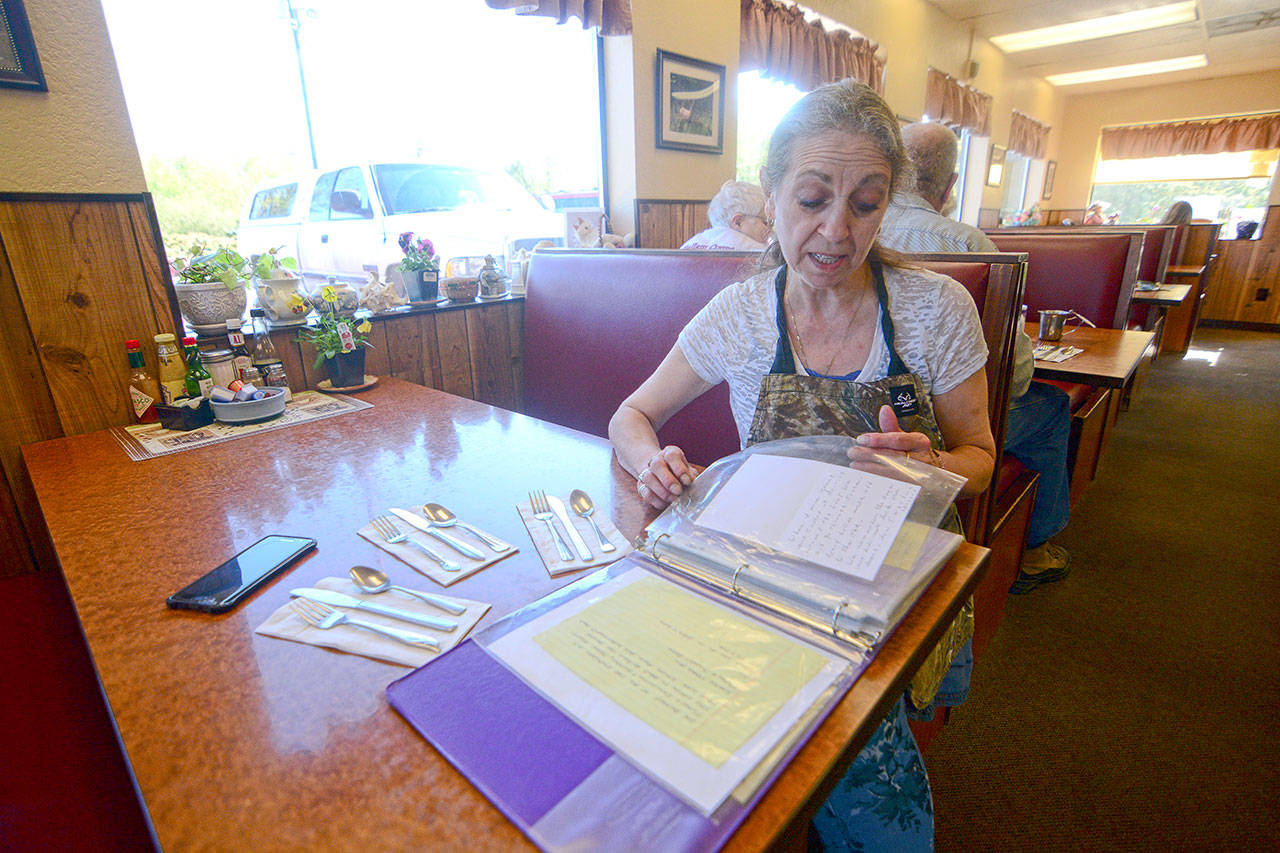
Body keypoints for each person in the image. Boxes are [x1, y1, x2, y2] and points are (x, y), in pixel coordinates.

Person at [609, 80, 996, 849]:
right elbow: (631, 416)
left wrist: (933, 465)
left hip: (894, 574)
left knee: (862, 755)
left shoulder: (935, 308)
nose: (836, 230)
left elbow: (981, 458)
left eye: (865, 203)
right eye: (813, 199)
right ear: (772, 193)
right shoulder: (742, 313)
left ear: (888, 204)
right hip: (770, 565)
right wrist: (653, 462)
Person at [879, 122, 1073, 592]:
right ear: (950, 187)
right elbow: (1016, 375)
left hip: (866, 429)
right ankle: (1034, 550)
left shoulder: (848, 233)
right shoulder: (969, 244)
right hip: (943, 435)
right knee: (1052, 407)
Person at [679, 180, 771, 250]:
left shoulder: (692, 243)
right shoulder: (753, 249)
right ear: (738, 222)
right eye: (766, 222)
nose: (770, 229)